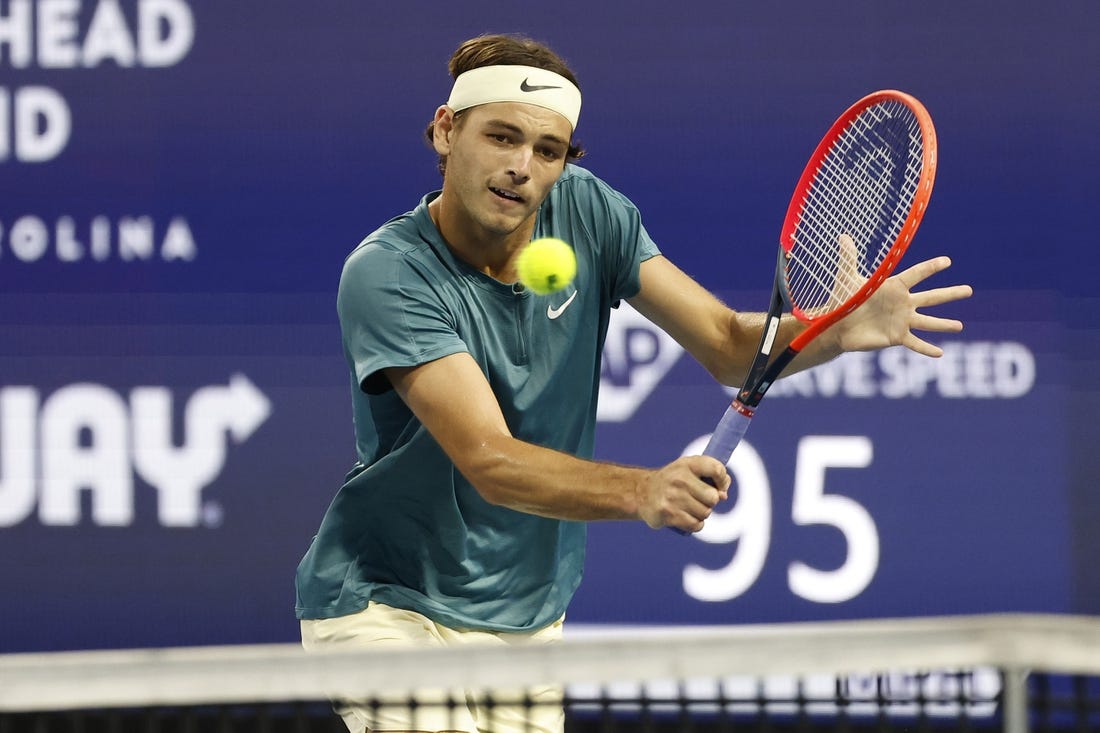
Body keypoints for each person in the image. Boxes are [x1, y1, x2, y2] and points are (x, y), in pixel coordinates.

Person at [295, 33, 972, 733]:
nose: (522, 167)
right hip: (387, 602)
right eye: (501, 137)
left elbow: (727, 345)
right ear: (446, 129)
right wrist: (645, 490)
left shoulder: (588, 211)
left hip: (526, 612)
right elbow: (489, 460)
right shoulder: (388, 272)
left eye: (549, 149)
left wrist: (833, 332)